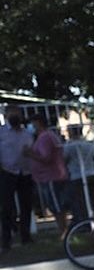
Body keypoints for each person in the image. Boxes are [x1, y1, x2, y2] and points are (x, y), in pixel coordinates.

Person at [26, 119, 71, 240]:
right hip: (51, 176)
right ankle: (63, 230)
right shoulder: (47, 136)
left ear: (39, 124)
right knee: (55, 205)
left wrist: (30, 154)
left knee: (56, 206)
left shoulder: (45, 137)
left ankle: (64, 231)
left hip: (51, 176)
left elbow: (46, 158)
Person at [1, 105, 36, 252]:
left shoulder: (26, 133)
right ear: (7, 115)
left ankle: (26, 237)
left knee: (26, 206)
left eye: (18, 113)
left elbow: (32, 150)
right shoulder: (1, 132)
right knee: (6, 208)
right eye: (12, 113)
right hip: (7, 172)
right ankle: (6, 240)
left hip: (25, 173)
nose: (15, 116)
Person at [63, 123, 94, 223]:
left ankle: (83, 222)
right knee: (93, 200)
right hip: (90, 173)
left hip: (76, 176)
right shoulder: (88, 144)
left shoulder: (69, 146)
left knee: (79, 201)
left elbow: (64, 160)